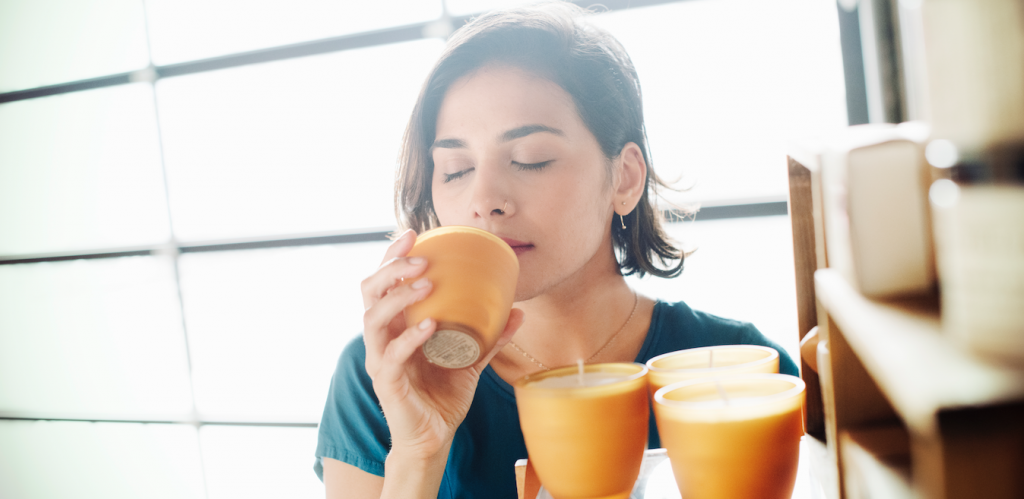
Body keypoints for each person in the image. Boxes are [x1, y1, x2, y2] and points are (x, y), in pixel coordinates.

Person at [314, 2, 799, 498]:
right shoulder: (385, 373)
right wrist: (419, 451)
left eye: (530, 159)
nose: (483, 202)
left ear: (625, 179)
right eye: (455, 170)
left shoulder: (745, 372)